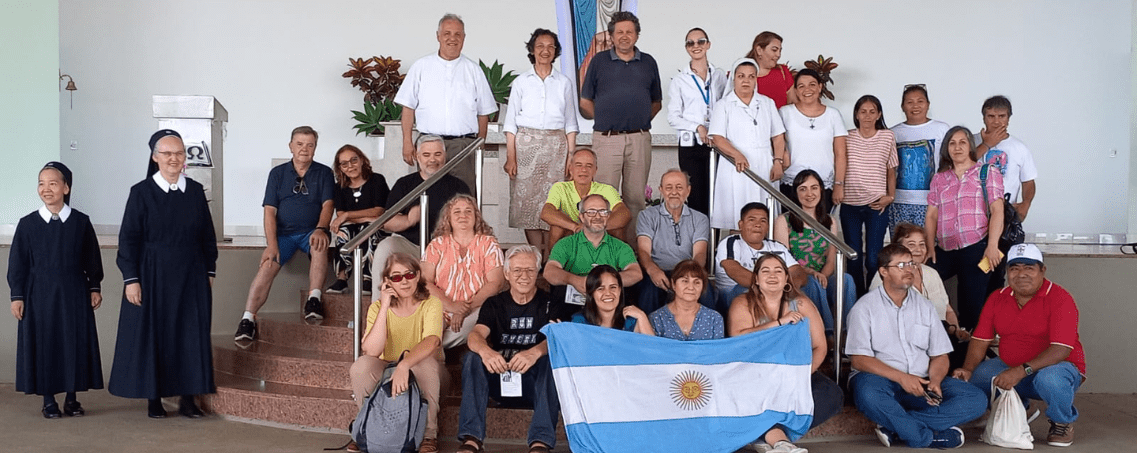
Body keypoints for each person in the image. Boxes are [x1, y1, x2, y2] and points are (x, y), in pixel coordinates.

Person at [110, 129, 217, 419]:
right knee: (154, 336)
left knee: (190, 336)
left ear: (185, 158)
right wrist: (131, 279)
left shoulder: (195, 191)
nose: (174, 159)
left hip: (191, 275)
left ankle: (188, 400)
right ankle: (153, 398)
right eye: (167, 153)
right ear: (155, 157)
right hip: (152, 275)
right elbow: (128, 239)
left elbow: (207, 234)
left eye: (179, 153)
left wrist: (209, 270)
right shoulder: (141, 192)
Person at [847, 244, 987, 449]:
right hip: (880, 380)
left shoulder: (925, 307)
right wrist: (903, 378)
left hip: (922, 381)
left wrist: (936, 381)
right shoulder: (864, 308)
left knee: (976, 399)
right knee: (868, 395)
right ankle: (927, 437)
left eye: (911, 264)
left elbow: (940, 355)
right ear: (883, 271)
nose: (909, 269)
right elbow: (859, 360)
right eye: (901, 265)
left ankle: (898, 426)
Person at [953, 244, 1087, 447]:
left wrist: (1021, 370)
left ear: (1042, 270)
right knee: (978, 378)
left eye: (1029, 268)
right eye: (1014, 268)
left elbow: (1062, 349)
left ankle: (1062, 422)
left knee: (1050, 380)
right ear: (1007, 272)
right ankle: (1022, 408)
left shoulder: (1060, 298)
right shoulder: (998, 297)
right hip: (1011, 365)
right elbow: (981, 339)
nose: (1021, 274)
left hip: (1059, 368)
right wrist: (968, 369)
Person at [8, 161, 103, 419]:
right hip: (38, 295)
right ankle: (48, 400)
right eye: (41, 183)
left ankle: (72, 399)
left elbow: (92, 258)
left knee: (73, 343)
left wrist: (94, 287)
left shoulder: (81, 222)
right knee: (46, 344)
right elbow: (17, 264)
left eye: (52, 183)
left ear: (66, 187)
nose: (46, 189)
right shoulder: (27, 224)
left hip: (74, 293)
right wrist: (17, 296)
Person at [457, 246, 568, 453]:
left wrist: (535, 352)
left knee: (551, 358)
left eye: (530, 270)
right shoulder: (494, 304)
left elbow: (559, 338)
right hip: (500, 379)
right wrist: (486, 351)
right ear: (507, 274)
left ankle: (540, 442)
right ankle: (471, 438)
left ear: (538, 273)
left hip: (534, 384)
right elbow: (475, 335)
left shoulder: (551, 303)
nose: (523, 276)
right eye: (517, 270)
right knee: (472, 358)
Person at [728, 254, 839, 453]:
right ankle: (779, 442)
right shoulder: (743, 302)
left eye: (778, 271)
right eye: (766, 271)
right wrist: (779, 323)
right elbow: (739, 339)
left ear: (787, 278)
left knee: (832, 395)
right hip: (755, 374)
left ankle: (768, 437)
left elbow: (820, 346)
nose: (772, 275)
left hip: (795, 371)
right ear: (756, 279)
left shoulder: (802, 304)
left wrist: (802, 375)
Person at [235, 126, 334, 341]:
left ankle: (314, 300)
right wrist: (271, 245)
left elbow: (328, 205)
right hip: (284, 236)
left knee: (319, 246)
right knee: (267, 266)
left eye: (310, 145)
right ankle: (247, 320)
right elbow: (269, 212)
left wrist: (320, 229)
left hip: (311, 232)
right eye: (299, 144)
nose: (304, 149)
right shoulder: (277, 173)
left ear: (315, 148)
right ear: (291, 146)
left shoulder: (324, 172)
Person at [349, 253, 447, 453]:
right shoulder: (377, 307)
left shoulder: (431, 303)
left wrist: (404, 365)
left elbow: (432, 341)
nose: (404, 281)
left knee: (425, 364)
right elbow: (372, 350)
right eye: (396, 277)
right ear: (387, 281)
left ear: (418, 276)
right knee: (361, 366)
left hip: (428, 373)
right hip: (388, 371)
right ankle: (366, 429)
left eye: (409, 275)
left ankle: (429, 435)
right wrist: (384, 305)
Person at [579, 11, 662, 241]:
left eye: (629, 32)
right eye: (619, 32)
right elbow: (585, 102)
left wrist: (638, 121)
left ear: (637, 35)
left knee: (635, 198)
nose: (624, 36)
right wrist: (607, 119)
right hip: (606, 140)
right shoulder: (598, 62)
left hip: (639, 139)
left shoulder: (648, 62)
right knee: (603, 198)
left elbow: (657, 102)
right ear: (612, 36)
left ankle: (632, 252)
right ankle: (600, 248)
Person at [395, 13, 496, 192]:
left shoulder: (473, 70)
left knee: (463, 198)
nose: (452, 38)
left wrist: (478, 145)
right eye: (447, 33)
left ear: (464, 38)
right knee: (430, 197)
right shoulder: (421, 67)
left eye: (458, 34)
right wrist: (407, 142)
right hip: (429, 144)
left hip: (463, 146)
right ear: (438, 36)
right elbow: (408, 107)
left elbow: (484, 113)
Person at [502, 28, 579, 255]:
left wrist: (571, 157)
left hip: (556, 147)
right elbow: (510, 123)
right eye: (540, 46)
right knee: (527, 205)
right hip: (526, 146)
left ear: (556, 51)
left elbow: (571, 123)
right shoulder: (521, 82)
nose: (545, 51)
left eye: (550, 47)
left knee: (553, 201)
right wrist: (511, 156)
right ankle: (536, 255)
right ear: (532, 50)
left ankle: (550, 255)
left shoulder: (564, 82)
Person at [370, 134, 473, 297]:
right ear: (417, 157)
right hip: (410, 245)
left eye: (437, 154)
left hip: (445, 248)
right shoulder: (404, 184)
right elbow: (387, 222)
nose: (432, 159)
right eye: (426, 155)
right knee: (385, 247)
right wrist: (408, 220)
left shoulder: (458, 186)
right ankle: (378, 311)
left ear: (445, 156)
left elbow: (470, 224)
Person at [925, 126, 1004, 331]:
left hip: (977, 248)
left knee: (972, 308)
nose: (957, 147)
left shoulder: (986, 172)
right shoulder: (940, 179)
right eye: (952, 143)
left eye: (962, 142)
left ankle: (969, 359)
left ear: (970, 146)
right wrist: (930, 246)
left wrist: (992, 245)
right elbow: (932, 214)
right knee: (923, 279)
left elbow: (997, 211)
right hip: (945, 249)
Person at [869, 223, 970, 368]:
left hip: (941, 339)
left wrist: (957, 330)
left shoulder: (932, 273)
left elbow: (947, 310)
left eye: (922, 244)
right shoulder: (886, 275)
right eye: (911, 244)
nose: (918, 250)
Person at [714, 202, 829, 327]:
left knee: (812, 283)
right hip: (733, 294)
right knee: (742, 289)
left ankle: (825, 332)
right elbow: (734, 271)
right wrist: (770, 289)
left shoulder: (776, 246)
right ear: (740, 225)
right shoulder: (731, 242)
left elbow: (798, 272)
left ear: (768, 226)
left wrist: (785, 288)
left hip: (775, 292)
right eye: (751, 220)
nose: (757, 224)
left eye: (763, 221)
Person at [709, 58, 788, 230]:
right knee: (737, 214)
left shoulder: (767, 103)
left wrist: (778, 161)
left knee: (765, 214)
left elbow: (778, 136)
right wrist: (737, 154)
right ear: (734, 79)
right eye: (741, 76)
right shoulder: (724, 105)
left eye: (751, 76)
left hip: (764, 164)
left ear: (756, 79)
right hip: (735, 166)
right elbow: (717, 137)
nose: (746, 80)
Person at [773, 169, 855, 333]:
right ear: (796, 194)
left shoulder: (830, 221)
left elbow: (831, 259)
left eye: (814, 188)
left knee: (846, 280)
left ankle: (848, 334)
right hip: (798, 277)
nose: (809, 193)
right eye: (803, 189)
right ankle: (828, 333)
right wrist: (811, 273)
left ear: (821, 191)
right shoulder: (784, 221)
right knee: (813, 283)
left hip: (823, 275)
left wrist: (823, 275)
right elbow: (784, 261)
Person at [421, 194, 504, 349]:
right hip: (441, 306)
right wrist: (451, 306)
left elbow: (496, 283)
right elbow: (424, 281)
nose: (463, 216)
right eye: (457, 212)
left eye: (468, 211)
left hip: (476, 308)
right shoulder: (437, 244)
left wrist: (465, 309)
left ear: (476, 217)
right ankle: (431, 351)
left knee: (477, 323)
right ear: (448, 218)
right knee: (431, 324)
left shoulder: (489, 244)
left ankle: (430, 349)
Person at [975, 95, 1038, 292]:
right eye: (991, 116)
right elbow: (961, 165)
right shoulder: (972, 142)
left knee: (998, 269)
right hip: (974, 214)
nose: (996, 121)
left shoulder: (1019, 148)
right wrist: (987, 144)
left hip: (1004, 216)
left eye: (1001, 116)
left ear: (1009, 118)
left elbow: (1028, 182)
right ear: (983, 117)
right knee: (975, 270)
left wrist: (1026, 203)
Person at [667, 27, 728, 216]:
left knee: (717, 197)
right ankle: (699, 244)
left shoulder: (718, 76)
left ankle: (715, 244)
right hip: (691, 144)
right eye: (690, 43)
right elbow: (673, 117)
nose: (696, 46)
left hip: (715, 142)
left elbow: (725, 107)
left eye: (700, 41)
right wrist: (697, 127)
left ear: (708, 45)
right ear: (686, 48)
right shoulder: (680, 80)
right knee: (696, 197)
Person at [633, 169, 713, 314]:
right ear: (661, 190)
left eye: (679, 187)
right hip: (658, 270)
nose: (674, 192)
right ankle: (647, 335)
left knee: (707, 291)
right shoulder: (647, 216)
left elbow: (700, 254)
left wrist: (689, 277)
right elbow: (643, 251)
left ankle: (708, 334)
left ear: (688, 191)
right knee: (649, 291)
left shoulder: (700, 218)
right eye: (669, 187)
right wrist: (653, 271)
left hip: (687, 270)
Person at [841, 95, 898, 295]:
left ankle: (875, 296)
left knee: (874, 257)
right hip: (850, 205)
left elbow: (891, 170)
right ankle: (857, 299)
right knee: (854, 256)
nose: (867, 116)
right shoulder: (846, 136)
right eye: (863, 111)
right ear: (856, 114)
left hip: (877, 204)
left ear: (879, 114)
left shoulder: (887, 136)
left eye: (872, 111)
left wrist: (890, 196)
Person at [543, 194, 642, 307]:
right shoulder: (566, 244)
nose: (597, 217)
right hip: (575, 301)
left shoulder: (620, 246)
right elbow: (549, 272)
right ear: (581, 217)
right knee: (559, 293)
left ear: (608, 216)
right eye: (591, 212)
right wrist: (575, 280)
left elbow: (636, 273)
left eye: (603, 212)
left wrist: (601, 283)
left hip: (609, 302)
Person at [778, 69, 847, 208]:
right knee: (791, 227)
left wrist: (839, 184)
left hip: (823, 184)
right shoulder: (785, 112)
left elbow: (840, 154)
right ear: (796, 90)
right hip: (792, 183)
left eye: (812, 84)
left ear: (820, 87)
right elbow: (777, 143)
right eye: (801, 86)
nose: (807, 90)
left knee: (820, 227)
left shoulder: (833, 115)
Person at [327, 145, 389, 295]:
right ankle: (342, 279)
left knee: (368, 229)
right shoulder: (339, 187)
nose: (350, 166)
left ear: (362, 160)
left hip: (379, 227)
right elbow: (340, 213)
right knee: (344, 231)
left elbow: (378, 211)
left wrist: (349, 216)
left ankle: (368, 279)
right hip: (354, 226)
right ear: (340, 168)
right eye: (344, 163)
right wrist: (356, 217)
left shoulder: (377, 180)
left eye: (354, 160)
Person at [539, 148, 631, 249]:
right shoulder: (560, 187)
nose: (584, 170)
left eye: (589, 166)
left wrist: (595, 227)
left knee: (618, 229)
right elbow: (546, 213)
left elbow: (624, 214)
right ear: (570, 169)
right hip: (572, 233)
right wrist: (575, 227)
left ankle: (619, 263)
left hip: (599, 233)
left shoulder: (606, 189)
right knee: (557, 228)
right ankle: (554, 262)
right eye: (579, 165)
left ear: (595, 170)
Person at [889, 84, 950, 231]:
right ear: (902, 106)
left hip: (931, 201)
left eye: (920, 101)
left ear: (928, 104)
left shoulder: (941, 129)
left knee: (928, 247)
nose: (915, 106)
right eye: (910, 102)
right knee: (901, 247)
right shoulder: (893, 133)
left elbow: (949, 162)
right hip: (899, 201)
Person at [649, 260, 723, 341]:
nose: (691, 287)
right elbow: (653, 351)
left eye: (697, 282)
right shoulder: (657, 318)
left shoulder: (714, 319)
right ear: (673, 284)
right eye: (685, 281)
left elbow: (718, 352)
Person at [572, 265, 654, 335]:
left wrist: (642, 316)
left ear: (619, 291)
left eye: (613, 287)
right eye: (600, 288)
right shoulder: (579, 321)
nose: (608, 293)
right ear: (591, 294)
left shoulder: (630, 321)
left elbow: (654, 351)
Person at [744, 31, 797, 108]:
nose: (778, 55)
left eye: (780, 50)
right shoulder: (741, 75)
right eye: (774, 50)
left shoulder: (783, 71)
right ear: (759, 50)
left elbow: (793, 103)